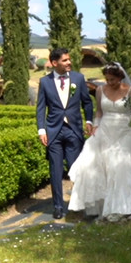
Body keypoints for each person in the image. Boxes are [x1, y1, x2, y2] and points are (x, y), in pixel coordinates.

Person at [67, 62, 131, 216]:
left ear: (120, 77)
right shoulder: (100, 90)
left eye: (112, 79)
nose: (109, 83)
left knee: (120, 165)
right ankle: (101, 204)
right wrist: (95, 125)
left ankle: (125, 207)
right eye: (107, 79)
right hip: (105, 130)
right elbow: (99, 111)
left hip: (126, 131)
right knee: (93, 162)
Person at [36, 48, 94, 219]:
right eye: (65, 60)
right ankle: (58, 207)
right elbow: (40, 108)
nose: (69, 62)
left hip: (74, 131)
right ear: (54, 63)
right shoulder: (44, 82)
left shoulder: (78, 78)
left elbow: (87, 102)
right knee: (55, 171)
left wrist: (89, 121)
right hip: (53, 132)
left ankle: (79, 205)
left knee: (77, 171)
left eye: (69, 60)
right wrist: (41, 130)